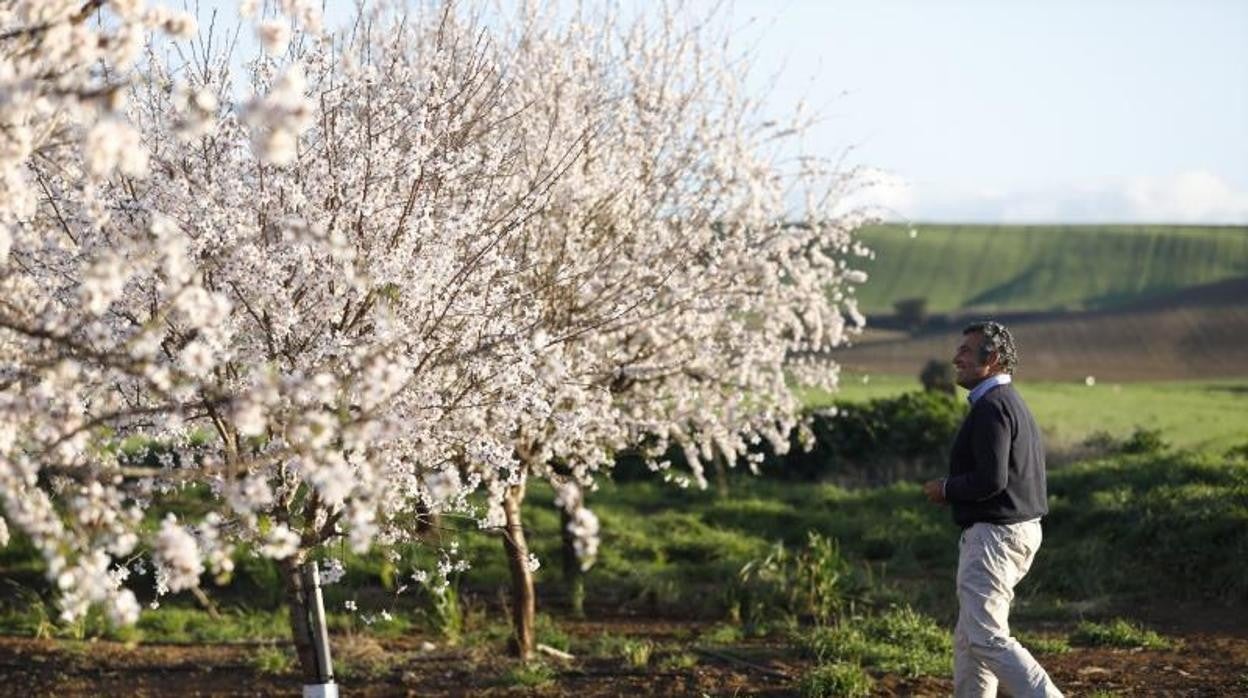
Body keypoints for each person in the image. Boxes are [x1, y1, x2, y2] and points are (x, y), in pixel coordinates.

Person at [923, 321, 1062, 697]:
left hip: (995, 537)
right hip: (1012, 531)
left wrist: (946, 489)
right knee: (970, 640)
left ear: (994, 359)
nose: (956, 358)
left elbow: (991, 481)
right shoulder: (1009, 402)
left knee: (984, 637)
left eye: (966, 352)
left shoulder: (992, 407)